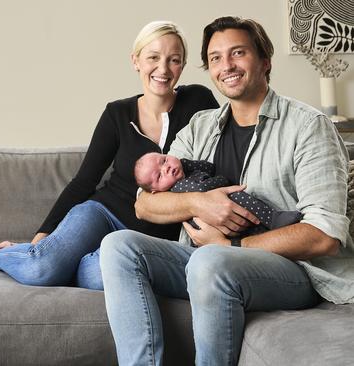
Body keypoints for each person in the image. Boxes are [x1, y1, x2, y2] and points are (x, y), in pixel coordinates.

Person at [100, 16, 354, 366]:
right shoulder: (201, 127)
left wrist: (230, 246)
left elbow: (325, 236)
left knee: (210, 260)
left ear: (265, 61)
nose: (226, 66)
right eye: (216, 58)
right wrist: (200, 203)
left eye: (238, 53)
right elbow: (145, 204)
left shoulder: (308, 127)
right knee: (117, 246)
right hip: (204, 258)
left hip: (293, 270)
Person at [0, 20, 219, 290]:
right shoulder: (116, 114)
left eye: (174, 59)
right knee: (41, 269)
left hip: (150, 239)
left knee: (102, 277)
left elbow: (224, 148)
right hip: (102, 214)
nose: (163, 68)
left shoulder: (199, 101)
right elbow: (84, 181)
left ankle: (47, 260)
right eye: (153, 57)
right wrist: (40, 242)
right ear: (136, 61)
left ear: (182, 65)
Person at [133, 151, 303, 235]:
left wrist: (184, 163)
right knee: (236, 196)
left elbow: (209, 166)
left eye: (164, 160)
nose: (167, 167)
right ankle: (273, 219)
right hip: (211, 224)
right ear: (155, 191)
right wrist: (222, 181)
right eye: (160, 175)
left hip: (219, 215)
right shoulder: (179, 187)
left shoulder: (183, 172)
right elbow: (202, 189)